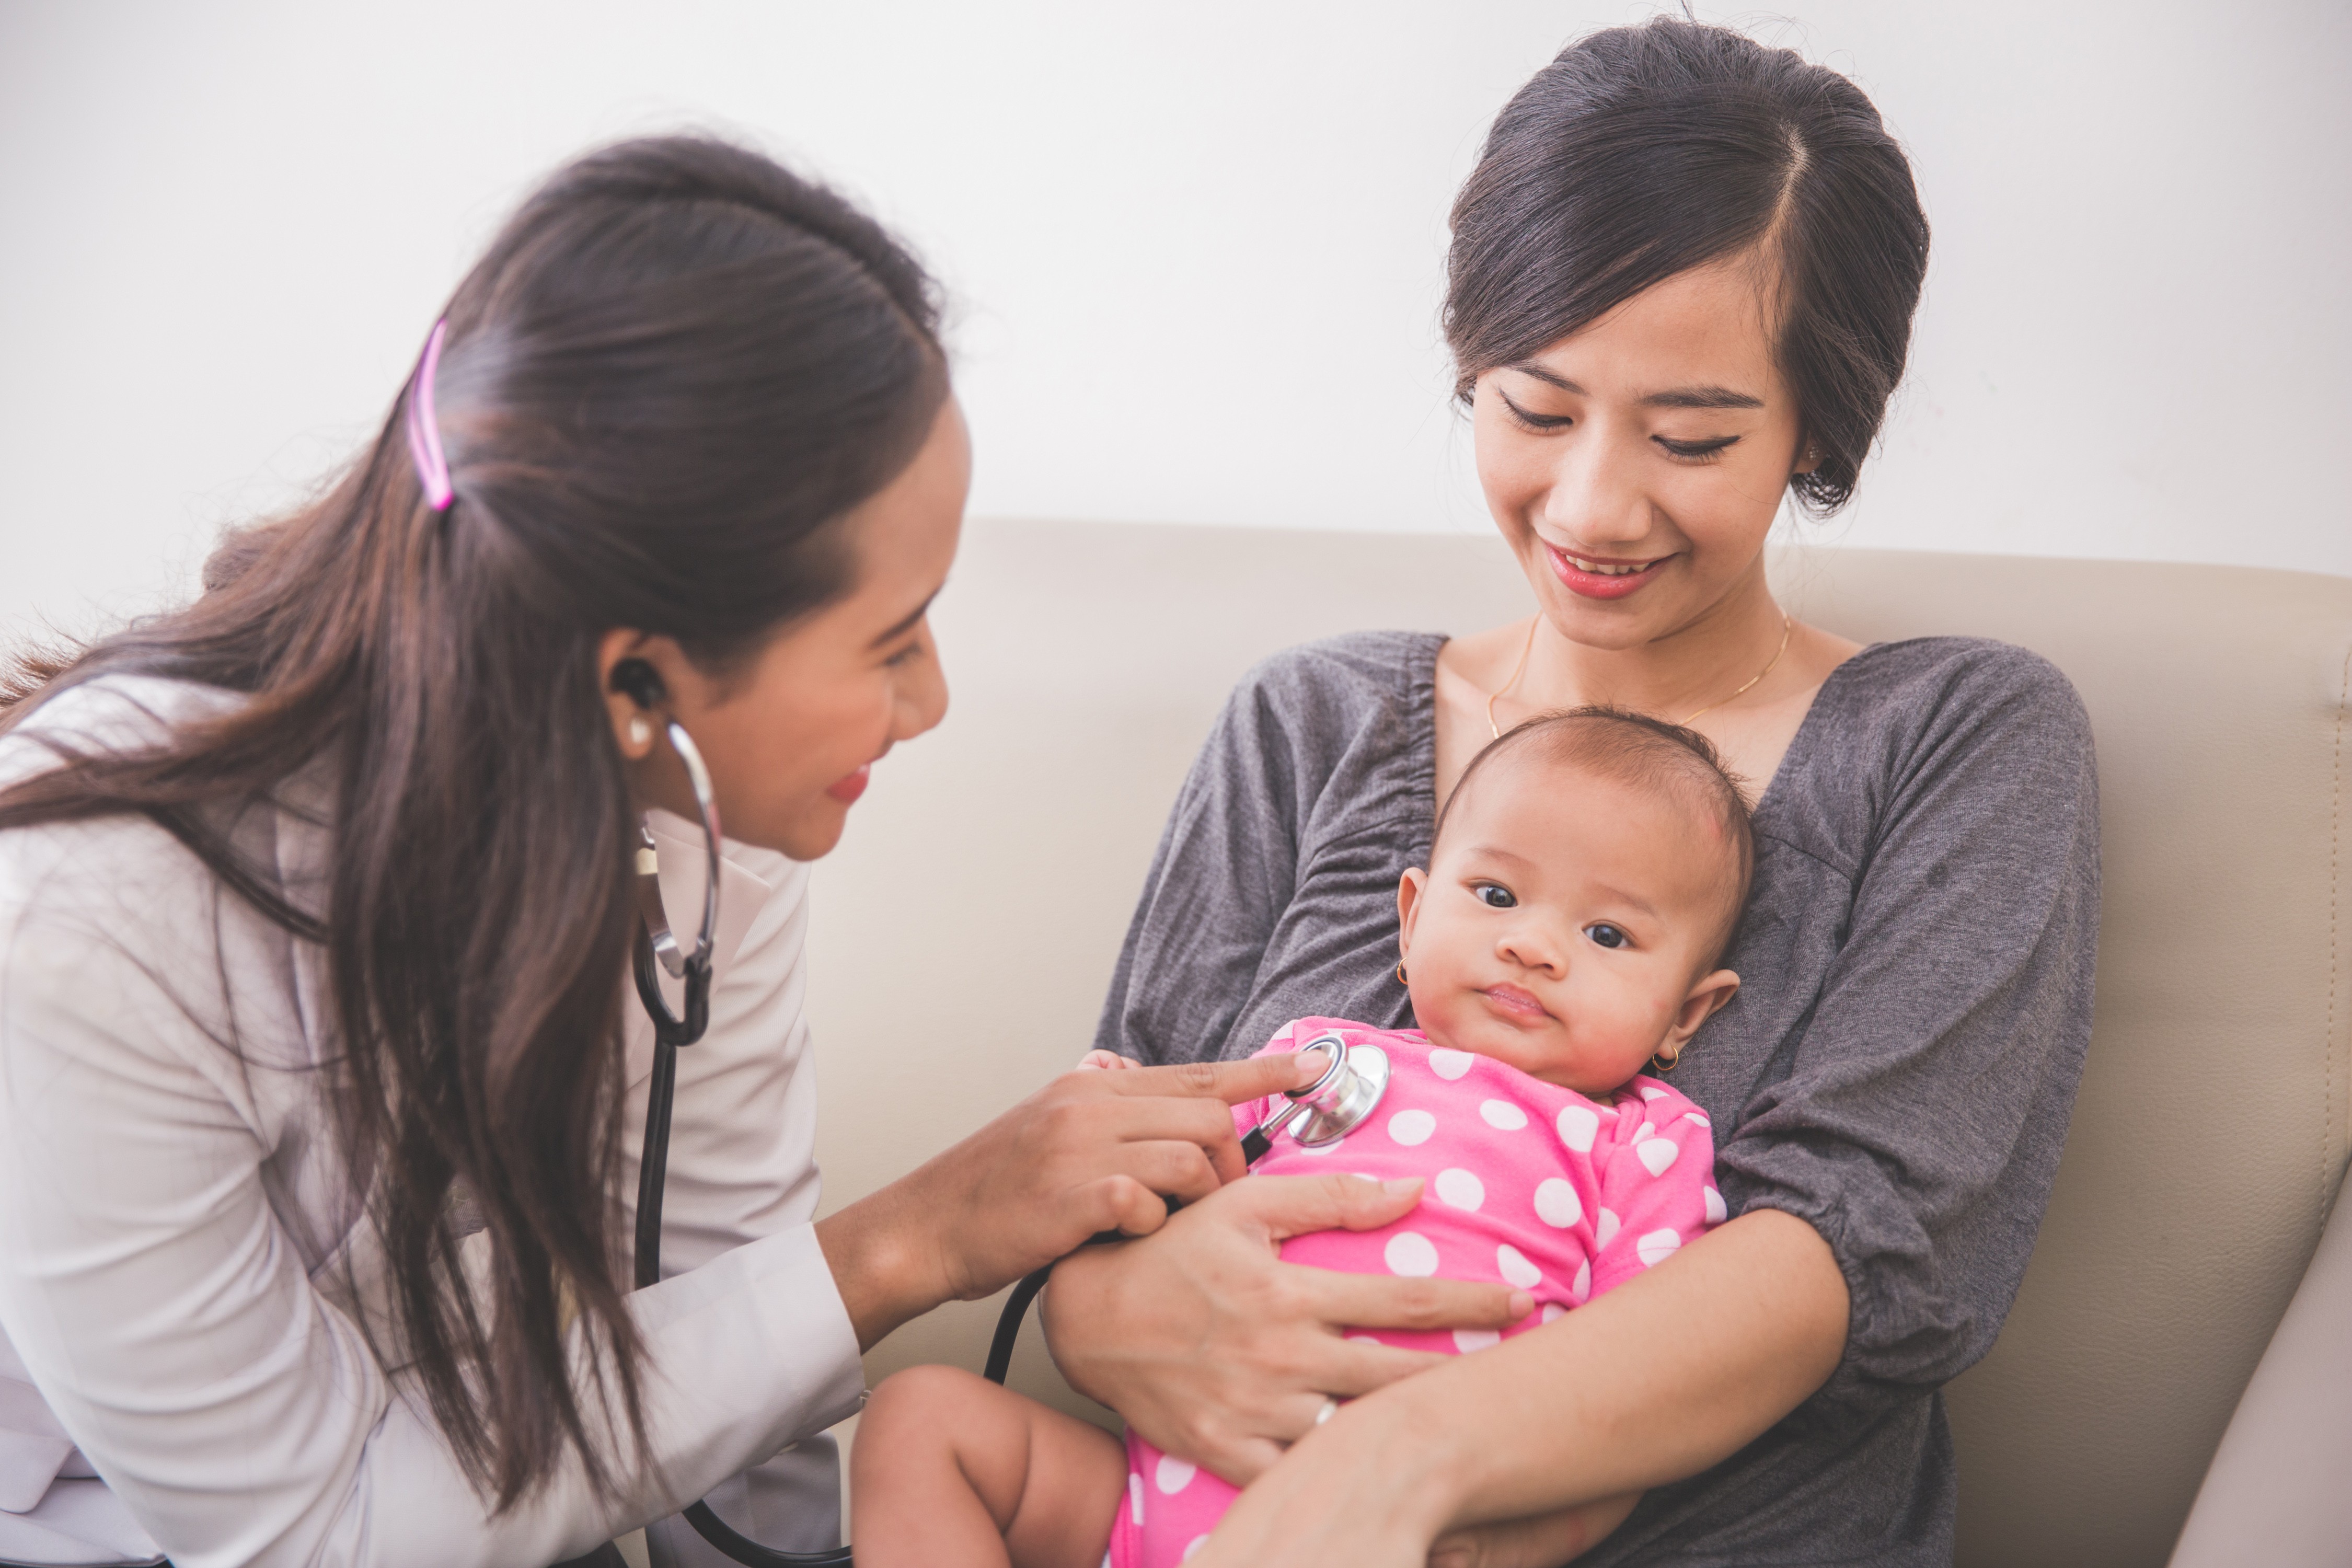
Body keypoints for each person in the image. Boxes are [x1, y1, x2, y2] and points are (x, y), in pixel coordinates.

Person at [0, 137, 1429, 1568]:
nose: (929, 703)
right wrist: (917, 1238)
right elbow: (318, 1533)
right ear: (637, 685)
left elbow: (728, 1347)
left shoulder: (691, 820)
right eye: (888, 641)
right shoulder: (93, 909)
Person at [1042, 18, 2100, 1568]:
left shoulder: (1959, 739)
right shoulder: (1309, 720)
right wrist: (1094, 1309)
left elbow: (1869, 1253)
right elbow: (1106, 1171)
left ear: (1820, 427)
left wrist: (1399, 1472)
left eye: (1690, 436)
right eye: (1534, 411)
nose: (1593, 506)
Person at [851, 709, 1754, 1567]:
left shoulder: (1647, 1144)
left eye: (1606, 933)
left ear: (1686, 1012)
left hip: (1403, 1527)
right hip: (1143, 1500)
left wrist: (1512, 1545)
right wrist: (1123, 1132)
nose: (1532, 945)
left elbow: (1642, 1399)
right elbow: (1168, 1196)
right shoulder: (1310, 1059)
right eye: (1496, 893)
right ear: (1410, 917)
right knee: (921, 1418)